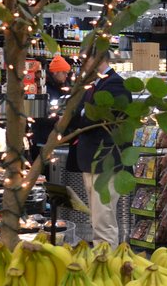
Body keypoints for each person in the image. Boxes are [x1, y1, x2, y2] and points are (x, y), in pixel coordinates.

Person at [67, 53, 130, 246]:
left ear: (99, 59)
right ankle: (101, 260)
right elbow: (79, 114)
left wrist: (84, 114)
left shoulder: (115, 84)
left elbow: (95, 118)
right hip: (91, 160)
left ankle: (107, 265)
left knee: (103, 220)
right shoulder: (93, 86)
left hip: (106, 162)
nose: (83, 64)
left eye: (87, 59)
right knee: (97, 218)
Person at [30, 54, 72, 159]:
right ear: (56, 72)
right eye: (64, 72)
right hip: (44, 138)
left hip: (58, 139)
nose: (66, 75)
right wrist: (59, 118)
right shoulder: (43, 89)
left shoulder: (64, 87)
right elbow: (40, 115)